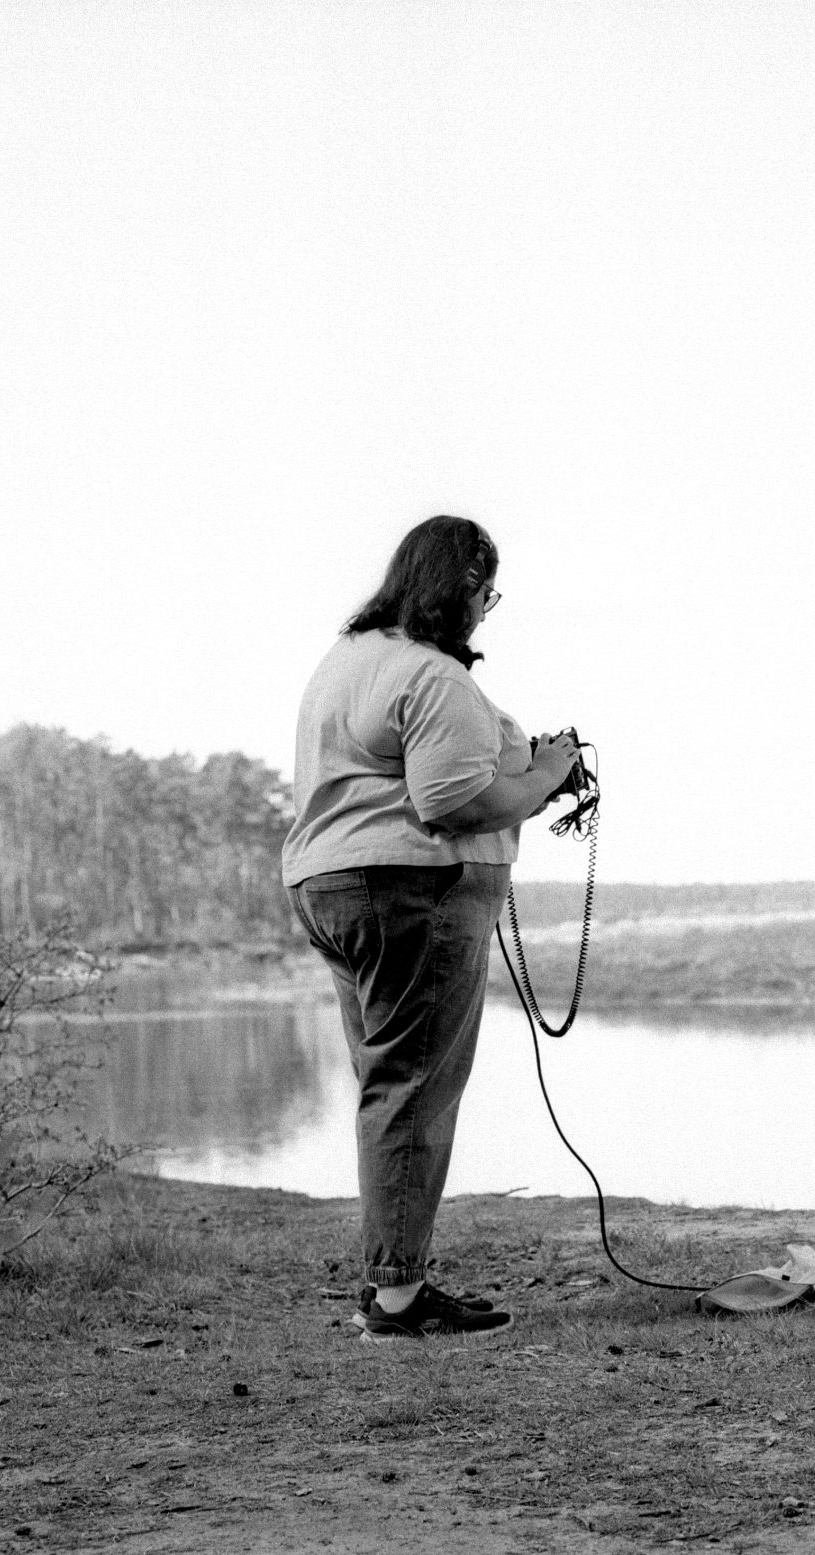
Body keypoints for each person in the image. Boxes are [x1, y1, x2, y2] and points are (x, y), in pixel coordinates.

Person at [281, 515, 578, 1343]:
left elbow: (417, 773)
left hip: (333, 885)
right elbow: (449, 803)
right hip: (412, 890)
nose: (488, 609)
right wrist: (548, 775)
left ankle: (391, 1284)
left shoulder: (348, 659)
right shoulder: (433, 674)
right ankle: (399, 1299)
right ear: (459, 588)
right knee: (415, 1088)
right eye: (485, 593)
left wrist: (520, 768)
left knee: (388, 1084)